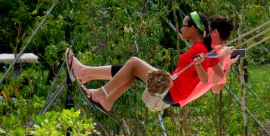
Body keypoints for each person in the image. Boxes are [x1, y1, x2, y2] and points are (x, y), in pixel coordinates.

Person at [66, 11, 225, 113]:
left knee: (134, 62)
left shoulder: (200, 50)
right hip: (171, 87)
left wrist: (199, 66)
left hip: (170, 89)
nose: (181, 29)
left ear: (192, 29)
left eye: (183, 26)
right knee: (131, 71)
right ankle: (104, 96)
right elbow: (213, 76)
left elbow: (205, 81)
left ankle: (101, 93)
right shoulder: (202, 48)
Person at [178, 15, 239, 106]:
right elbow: (216, 89)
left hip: (176, 92)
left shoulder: (221, 53)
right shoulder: (220, 52)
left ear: (214, 33)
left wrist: (224, 60)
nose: (203, 32)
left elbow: (215, 84)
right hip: (179, 97)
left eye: (206, 30)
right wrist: (228, 64)